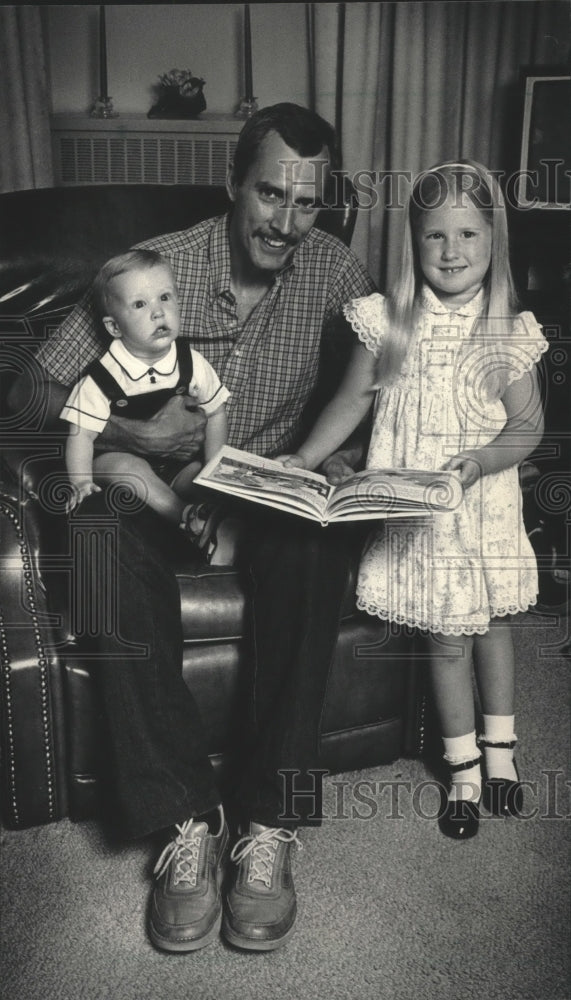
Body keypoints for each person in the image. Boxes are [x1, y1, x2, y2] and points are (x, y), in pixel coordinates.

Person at [8, 103, 376, 951]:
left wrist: (348, 454)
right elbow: (24, 393)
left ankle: (266, 824)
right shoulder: (155, 268)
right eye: (270, 195)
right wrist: (128, 439)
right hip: (153, 491)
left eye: (307, 203)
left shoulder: (337, 273)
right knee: (96, 540)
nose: (285, 223)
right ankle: (181, 823)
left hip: (262, 496)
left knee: (314, 536)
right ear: (233, 185)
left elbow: (385, 374)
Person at [279, 160, 547, 840]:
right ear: (413, 243)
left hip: (481, 511)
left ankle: (500, 755)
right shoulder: (386, 322)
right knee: (444, 637)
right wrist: (305, 458)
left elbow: (526, 427)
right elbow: (350, 401)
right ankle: (460, 769)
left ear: (493, 243)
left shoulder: (503, 331)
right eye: (434, 237)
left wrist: (478, 461)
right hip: (420, 522)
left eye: (467, 235)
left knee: (489, 628)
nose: (451, 252)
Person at [61, 249, 229, 547]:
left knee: (200, 480)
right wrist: (80, 481)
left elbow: (216, 412)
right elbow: (80, 434)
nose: (158, 312)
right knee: (129, 469)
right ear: (114, 326)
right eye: (140, 304)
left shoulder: (191, 363)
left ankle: (212, 523)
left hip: (176, 465)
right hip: (118, 463)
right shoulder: (102, 377)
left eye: (165, 297)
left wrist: (213, 468)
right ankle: (183, 516)